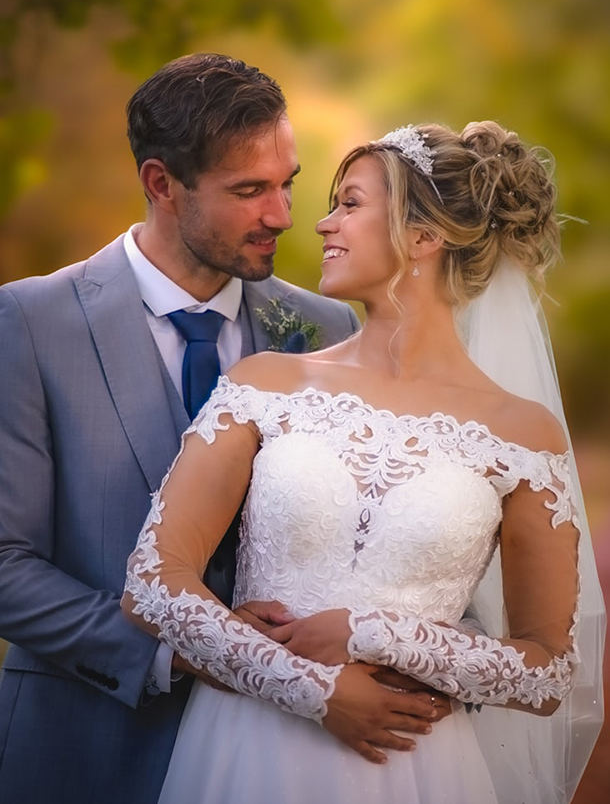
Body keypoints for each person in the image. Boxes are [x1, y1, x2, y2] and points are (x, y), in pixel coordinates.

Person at [0, 52, 441, 804]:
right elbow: (6, 566)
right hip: (88, 748)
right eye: (249, 191)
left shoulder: (327, 326)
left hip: (290, 760)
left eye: (288, 183)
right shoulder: (30, 322)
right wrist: (193, 654)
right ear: (161, 184)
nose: (283, 215)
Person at [122, 120, 605, 804]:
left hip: (417, 768)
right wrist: (311, 689)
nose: (320, 224)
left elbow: (548, 674)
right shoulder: (266, 385)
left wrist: (378, 635)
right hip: (247, 752)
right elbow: (151, 581)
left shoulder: (524, 434)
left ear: (423, 235)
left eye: (349, 203)